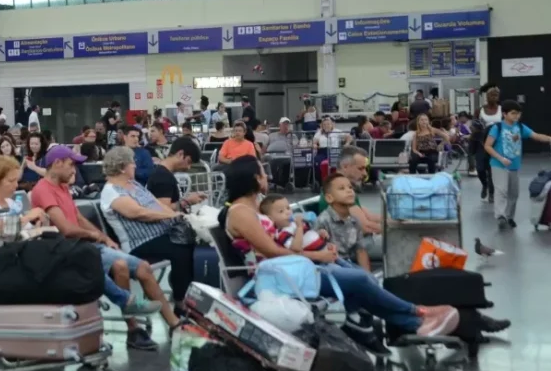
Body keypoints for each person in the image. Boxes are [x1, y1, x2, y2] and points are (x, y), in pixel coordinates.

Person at [219, 155, 461, 340]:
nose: (266, 177)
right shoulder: (241, 213)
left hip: (291, 267)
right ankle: (420, 313)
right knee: (360, 280)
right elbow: (271, 251)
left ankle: (416, 325)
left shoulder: (255, 207)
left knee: (358, 285)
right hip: (280, 276)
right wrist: (318, 254)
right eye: (262, 173)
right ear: (253, 178)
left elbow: (281, 240)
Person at [31, 146, 180, 350]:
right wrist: (95, 235)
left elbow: (79, 218)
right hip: (69, 250)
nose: (74, 170)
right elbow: (65, 228)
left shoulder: (63, 187)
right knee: (120, 266)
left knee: (143, 267)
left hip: (85, 246)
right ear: (56, 164)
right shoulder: (43, 189)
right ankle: (133, 328)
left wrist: (102, 237)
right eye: (71, 164)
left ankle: (174, 324)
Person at [99, 146, 196, 322]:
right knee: (180, 249)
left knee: (191, 242)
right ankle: (181, 301)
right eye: (132, 163)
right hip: (139, 243)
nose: (135, 166)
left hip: (160, 234)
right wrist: (171, 215)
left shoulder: (133, 184)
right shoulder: (111, 191)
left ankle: (184, 296)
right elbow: (137, 213)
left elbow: (156, 205)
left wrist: (178, 216)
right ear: (122, 167)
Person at [485, 100, 551, 229]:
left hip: (514, 165)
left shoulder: (520, 127)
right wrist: (500, 158)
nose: (516, 116)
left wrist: (549, 138)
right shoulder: (497, 128)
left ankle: (509, 217)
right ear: (504, 114)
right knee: (501, 190)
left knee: (514, 194)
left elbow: (536, 136)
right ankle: (500, 216)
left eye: (518, 113)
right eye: (513, 113)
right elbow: (488, 146)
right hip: (498, 164)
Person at [0, 156, 49, 256]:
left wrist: (40, 222)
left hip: (17, 252)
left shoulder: (10, 203)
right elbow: (4, 230)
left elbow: (26, 228)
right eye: (11, 181)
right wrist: (29, 216)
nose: (16, 185)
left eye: (16, 181)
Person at [146, 136, 206, 213]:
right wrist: (187, 202)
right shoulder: (163, 177)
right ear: (180, 154)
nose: (188, 167)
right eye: (189, 162)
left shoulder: (162, 173)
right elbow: (163, 209)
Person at [476, 84, 502, 201]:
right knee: (480, 169)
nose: (493, 97)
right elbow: (474, 125)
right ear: (487, 96)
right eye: (491, 95)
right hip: (482, 143)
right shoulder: (480, 110)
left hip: (496, 143)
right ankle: (484, 185)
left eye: (496, 95)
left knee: (492, 169)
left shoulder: (502, 110)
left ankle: (492, 193)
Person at [264, 117, 294, 186]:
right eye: (284, 124)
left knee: (291, 160)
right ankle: (272, 180)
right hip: (274, 155)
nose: (286, 126)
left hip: (288, 156)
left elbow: (297, 146)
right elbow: (266, 147)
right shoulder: (272, 136)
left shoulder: (292, 136)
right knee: (269, 159)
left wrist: (290, 135)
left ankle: (286, 181)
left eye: (287, 124)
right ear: (280, 125)